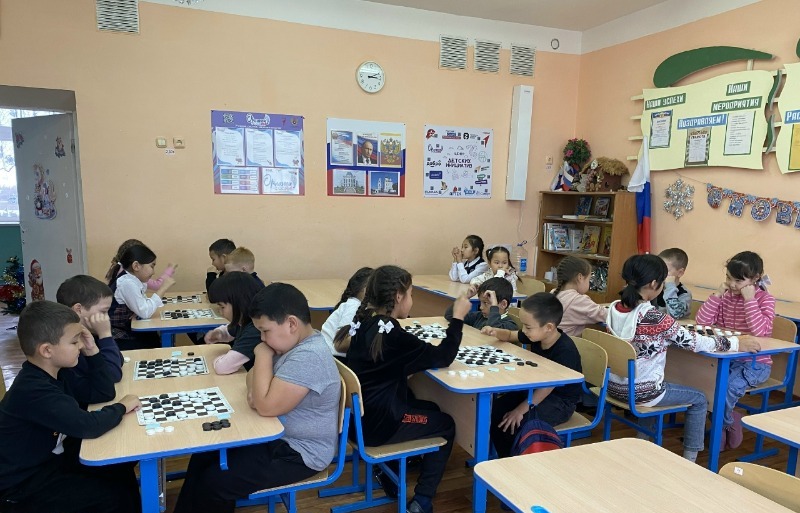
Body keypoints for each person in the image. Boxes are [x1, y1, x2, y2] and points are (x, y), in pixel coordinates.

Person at [174, 283, 340, 513]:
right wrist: (259, 392)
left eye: (265, 331)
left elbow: (264, 405)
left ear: (291, 324)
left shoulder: (308, 357)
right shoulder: (291, 345)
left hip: (300, 452)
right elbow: (252, 378)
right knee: (204, 455)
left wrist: (261, 355)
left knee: (215, 483)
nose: (261, 338)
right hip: (275, 434)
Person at [606, 254, 761, 462]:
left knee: (653, 382)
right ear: (654, 283)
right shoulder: (656, 318)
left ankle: (642, 439)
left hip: (612, 386)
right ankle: (690, 460)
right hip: (641, 393)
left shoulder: (614, 308)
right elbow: (695, 342)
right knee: (700, 399)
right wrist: (735, 344)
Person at [341, 265, 471, 513]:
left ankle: (393, 470)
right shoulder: (393, 335)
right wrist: (458, 318)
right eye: (411, 294)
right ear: (399, 297)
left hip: (360, 422)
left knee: (430, 407)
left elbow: (387, 365)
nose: (412, 300)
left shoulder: (365, 322)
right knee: (446, 425)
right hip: (381, 426)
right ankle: (422, 500)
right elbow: (443, 356)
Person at [0, 301, 142, 513]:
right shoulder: (33, 390)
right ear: (47, 350)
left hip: (52, 462)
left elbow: (103, 392)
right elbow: (88, 425)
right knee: (112, 496)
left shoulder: (60, 372)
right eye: (75, 342)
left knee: (120, 469)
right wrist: (121, 407)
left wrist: (93, 351)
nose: (81, 345)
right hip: (22, 486)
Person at [481, 292, 582, 458]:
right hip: (535, 389)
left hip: (560, 401)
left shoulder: (565, 350)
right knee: (496, 410)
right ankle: (504, 459)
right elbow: (511, 335)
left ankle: (518, 461)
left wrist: (520, 410)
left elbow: (548, 387)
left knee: (517, 421)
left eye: (528, 327)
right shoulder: (536, 335)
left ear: (548, 327)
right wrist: (495, 331)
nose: (524, 330)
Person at [695, 250, 775, 449]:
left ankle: (724, 424)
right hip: (727, 359)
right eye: (728, 278)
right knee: (704, 383)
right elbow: (702, 323)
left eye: (738, 281)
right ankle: (725, 422)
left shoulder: (765, 300)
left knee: (727, 388)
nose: (731, 284)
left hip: (754, 364)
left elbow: (759, 331)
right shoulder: (726, 297)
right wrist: (716, 295)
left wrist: (750, 300)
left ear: (755, 279)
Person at [56, 275, 123, 383]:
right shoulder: (71, 342)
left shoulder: (88, 333)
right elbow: (112, 375)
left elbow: (119, 360)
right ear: (78, 309)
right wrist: (105, 335)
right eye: (103, 312)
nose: (107, 318)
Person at [107, 244, 175, 350]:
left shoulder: (133, 280)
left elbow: (142, 305)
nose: (154, 272)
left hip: (127, 329)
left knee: (153, 336)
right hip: (120, 336)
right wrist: (163, 288)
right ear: (136, 266)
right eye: (152, 266)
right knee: (152, 341)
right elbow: (145, 312)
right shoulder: (127, 283)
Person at [203, 272, 266, 374]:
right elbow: (230, 330)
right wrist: (219, 333)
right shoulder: (244, 320)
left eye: (222, 307)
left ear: (239, 303)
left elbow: (222, 367)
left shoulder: (255, 330)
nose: (220, 311)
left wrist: (218, 359)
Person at [322, 266, 373, 358]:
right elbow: (341, 343)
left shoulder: (353, 305)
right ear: (364, 289)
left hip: (331, 355)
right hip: (334, 358)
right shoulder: (353, 306)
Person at [551, 255, 607, 336]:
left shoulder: (553, 293)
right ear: (580, 277)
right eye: (589, 279)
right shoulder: (578, 300)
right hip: (566, 343)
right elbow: (605, 315)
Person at [445, 278, 518, 331]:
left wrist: (494, 306)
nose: (481, 307)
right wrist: (466, 297)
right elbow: (450, 316)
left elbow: (492, 331)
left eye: (486, 303)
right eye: (481, 302)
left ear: (503, 304)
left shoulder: (509, 325)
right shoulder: (479, 316)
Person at [104, 239, 176, 292]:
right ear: (136, 265)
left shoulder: (119, 270)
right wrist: (170, 268)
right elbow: (157, 285)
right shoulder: (130, 277)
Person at [651, 247, 692, 319]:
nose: (660, 273)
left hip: (676, 325)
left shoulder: (684, 294)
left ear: (680, 272)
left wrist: (669, 286)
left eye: (666, 270)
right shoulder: (656, 287)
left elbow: (676, 314)